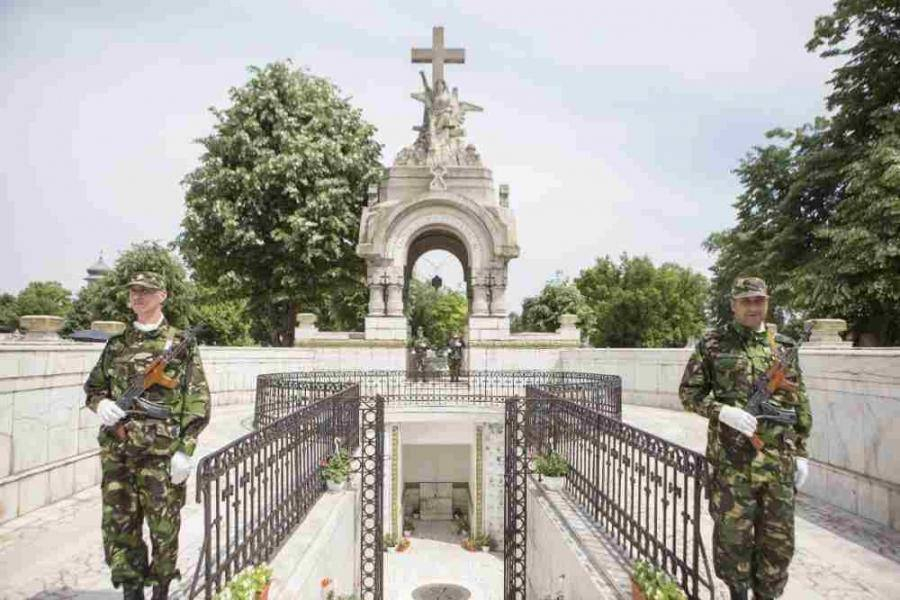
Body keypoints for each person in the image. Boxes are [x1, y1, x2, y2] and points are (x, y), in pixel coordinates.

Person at [678, 277, 812, 600]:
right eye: (746, 301)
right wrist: (723, 411)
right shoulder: (713, 344)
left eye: (759, 300)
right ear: (733, 305)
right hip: (732, 465)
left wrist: (801, 452)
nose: (753, 307)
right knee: (732, 545)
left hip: (778, 466)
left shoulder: (783, 347)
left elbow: (799, 402)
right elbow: (689, 393)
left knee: (778, 547)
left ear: (767, 302)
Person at [85, 272, 211, 600]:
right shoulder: (116, 344)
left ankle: (161, 588)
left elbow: (197, 399)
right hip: (118, 451)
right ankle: (131, 588)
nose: (138, 296)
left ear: (162, 296)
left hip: (161, 452)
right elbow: (94, 388)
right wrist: (102, 405)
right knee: (119, 525)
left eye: (146, 291)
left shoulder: (180, 343)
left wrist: (185, 449)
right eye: (134, 291)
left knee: (163, 526)